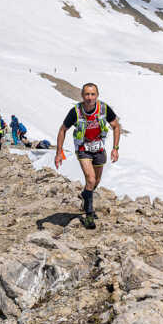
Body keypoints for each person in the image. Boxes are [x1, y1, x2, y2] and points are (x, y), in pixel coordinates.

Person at [55, 83, 120, 226]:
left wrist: (115, 148)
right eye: (87, 94)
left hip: (99, 148)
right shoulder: (76, 111)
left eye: (92, 94)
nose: (89, 97)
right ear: (82, 95)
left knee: (96, 181)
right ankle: (89, 214)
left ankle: (86, 194)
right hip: (83, 148)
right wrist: (59, 152)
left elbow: (116, 126)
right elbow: (62, 130)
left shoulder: (103, 109)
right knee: (90, 179)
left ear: (97, 95)